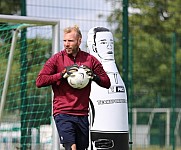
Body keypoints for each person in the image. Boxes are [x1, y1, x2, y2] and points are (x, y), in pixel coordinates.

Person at [36, 25, 111, 150]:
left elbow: (106, 82)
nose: (66, 44)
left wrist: (93, 76)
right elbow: (40, 81)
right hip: (63, 113)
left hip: (82, 114)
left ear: (79, 41)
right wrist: (61, 74)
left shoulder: (90, 60)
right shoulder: (56, 59)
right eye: (64, 41)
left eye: (70, 41)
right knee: (72, 147)